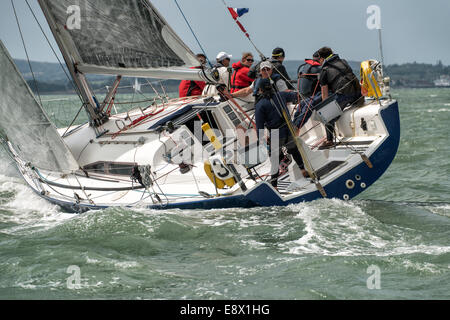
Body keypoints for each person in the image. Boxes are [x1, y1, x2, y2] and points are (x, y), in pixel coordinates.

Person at [254, 78, 306, 189]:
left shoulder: (260, 105)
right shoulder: (281, 95)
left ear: (260, 90)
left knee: (275, 160)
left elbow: (259, 126)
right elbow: (297, 96)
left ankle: (274, 185)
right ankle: (303, 169)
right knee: (294, 150)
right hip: (288, 129)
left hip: (276, 133)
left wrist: (261, 140)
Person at [317, 47, 363, 147]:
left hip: (345, 95)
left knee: (326, 114)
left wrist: (327, 109)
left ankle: (329, 141)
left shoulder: (324, 70)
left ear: (321, 58)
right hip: (358, 94)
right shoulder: (343, 61)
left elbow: (324, 96)